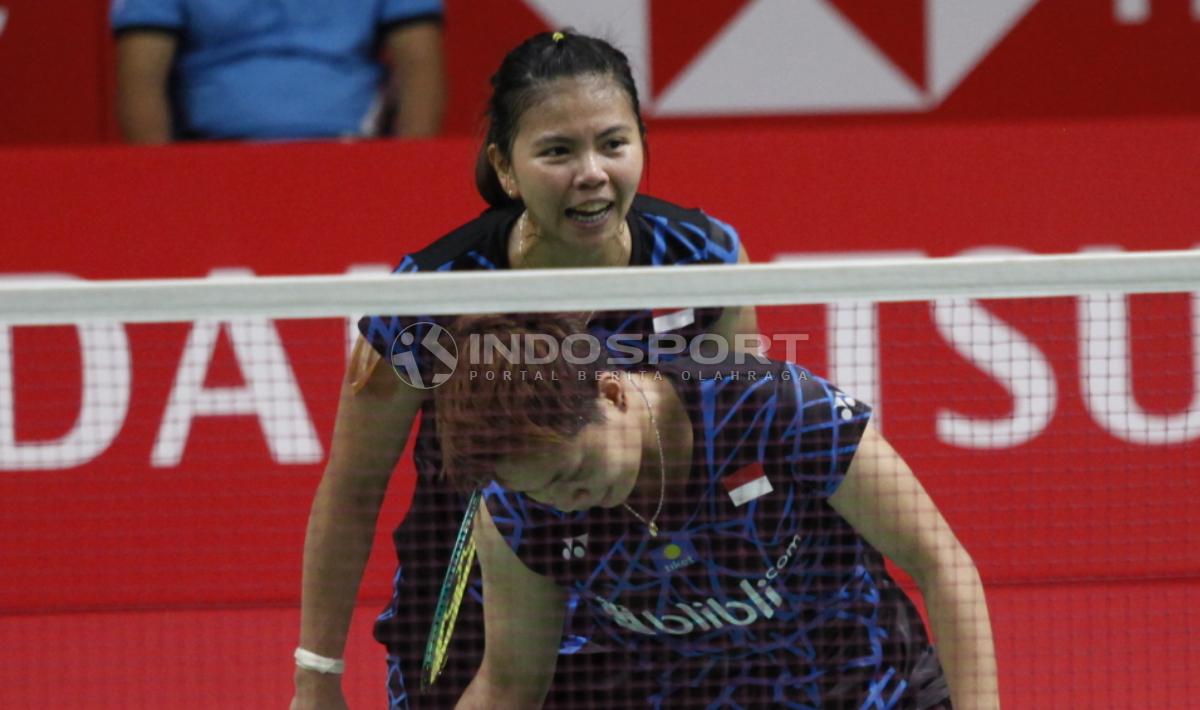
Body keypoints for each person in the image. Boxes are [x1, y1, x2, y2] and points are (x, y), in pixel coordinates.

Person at [292, 30, 759, 710]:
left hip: (651, 612)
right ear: (505, 170)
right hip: (470, 606)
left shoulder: (701, 256)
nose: (592, 172)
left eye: (613, 143)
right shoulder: (433, 293)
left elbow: (742, 437)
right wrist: (317, 675)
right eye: (557, 152)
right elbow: (354, 487)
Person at [435, 313, 1001, 709]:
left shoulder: (775, 410)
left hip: (875, 691)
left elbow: (940, 562)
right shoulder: (516, 513)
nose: (561, 502)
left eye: (572, 474)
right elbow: (510, 684)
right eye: (538, 492)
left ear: (612, 395)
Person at [111, 0, 445, 143]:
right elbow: (141, 77)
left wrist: (405, 173)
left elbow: (420, 66)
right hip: (212, 156)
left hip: (353, 153)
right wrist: (164, 184)